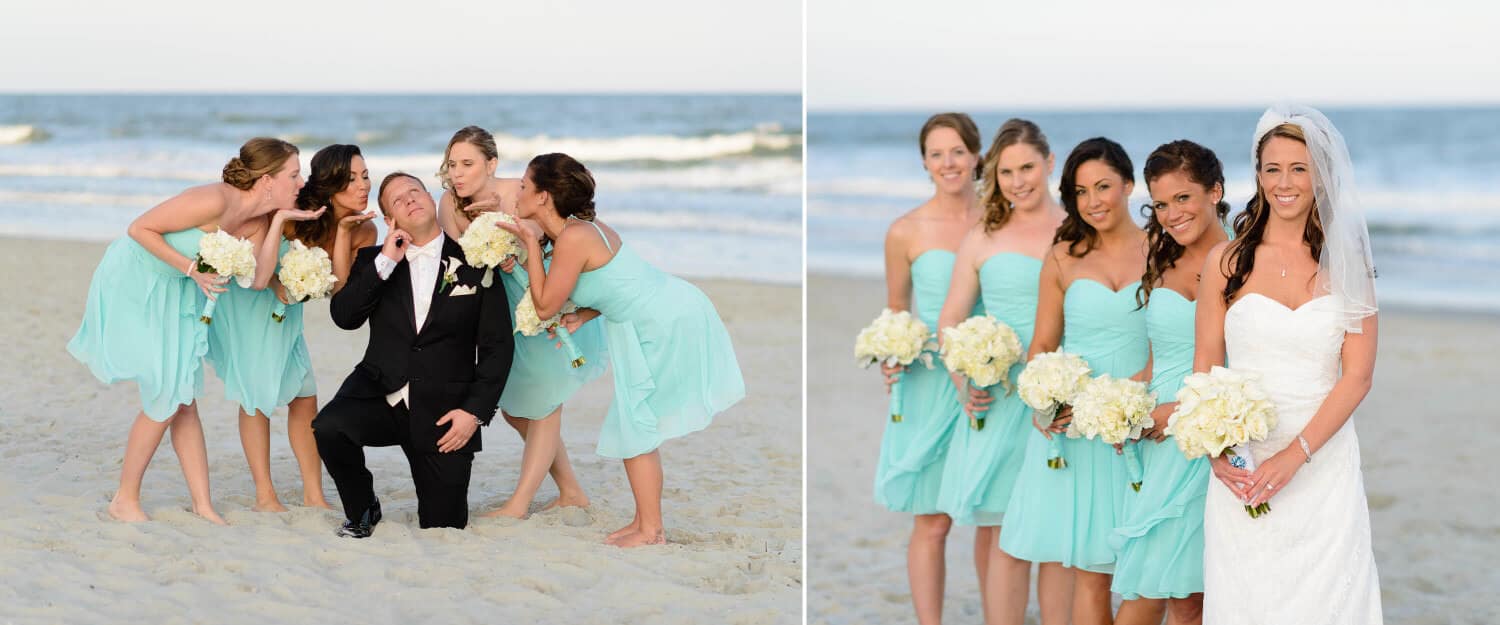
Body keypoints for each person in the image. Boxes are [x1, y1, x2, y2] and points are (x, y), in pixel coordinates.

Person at [496, 152, 745, 548]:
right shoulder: (578, 231)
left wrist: (527, 239)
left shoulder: (574, 237)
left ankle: (651, 531)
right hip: (659, 309)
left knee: (638, 423)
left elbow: (544, 306)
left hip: (662, 320)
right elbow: (620, 280)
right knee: (637, 422)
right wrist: (588, 313)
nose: (518, 190)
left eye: (525, 185)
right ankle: (647, 523)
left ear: (543, 197)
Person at [68, 137, 319, 524]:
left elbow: (258, 280)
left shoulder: (256, 222)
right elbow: (139, 228)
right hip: (141, 280)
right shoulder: (216, 199)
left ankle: (203, 505)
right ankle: (124, 498)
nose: (300, 182)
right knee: (168, 389)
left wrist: (280, 223)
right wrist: (191, 269)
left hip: (182, 290)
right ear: (267, 180)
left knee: (183, 390)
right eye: (293, 174)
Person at [1195, 105, 1382, 623]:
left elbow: (1358, 376)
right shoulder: (1226, 262)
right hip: (1244, 466)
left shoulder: (1348, 265)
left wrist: (1296, 455)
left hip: (1323, 464)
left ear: (1320, 175)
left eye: (1299, 168)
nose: (1285, 182)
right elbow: (1206, 370)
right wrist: (1214, 450)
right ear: (1258, 176)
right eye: (1272, 168)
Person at [312, 172, 514, 537]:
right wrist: (387, 260)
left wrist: (474, 414)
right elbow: (344, 318)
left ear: (431, 197)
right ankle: (363, 509)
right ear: (390, 219)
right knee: (328, 428)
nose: (409, 199)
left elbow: (498, 347)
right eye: (396, 200)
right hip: (380, 393)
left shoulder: (476, 260)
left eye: (414, 191)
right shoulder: (375, 260)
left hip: (444, 414)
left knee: (443, 524)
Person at [434, 126, 605, 518]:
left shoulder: (520, 192)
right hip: (502, 313)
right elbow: (460, 266)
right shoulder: (449, 204)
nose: (457, 173)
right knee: (515, 409)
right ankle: (571, 491)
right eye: (452, 165)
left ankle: (519, 503)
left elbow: (567, 239)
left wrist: (519, 247)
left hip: (543, 301)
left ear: (491, 164)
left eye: (468, 164)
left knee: (544, 405)